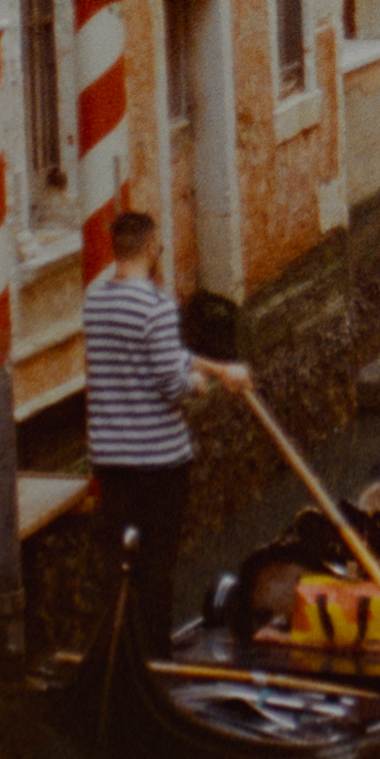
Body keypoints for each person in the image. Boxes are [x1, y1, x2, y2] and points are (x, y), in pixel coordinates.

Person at [83, 206, 251, 647]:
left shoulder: (96, 300)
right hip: (158, 461)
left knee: (119, 562)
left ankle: (119, 649)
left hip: (111, 458)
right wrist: (201, 384)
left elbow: (151, 355)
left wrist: (218, 368)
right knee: (157, 564)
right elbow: (171, 381)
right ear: (152, 248)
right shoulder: (155, 306)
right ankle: (155, 656)